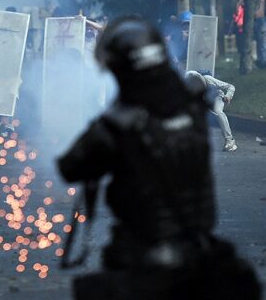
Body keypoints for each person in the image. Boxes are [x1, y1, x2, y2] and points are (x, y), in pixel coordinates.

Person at [58, 17, 261, 300]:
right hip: (199, 250)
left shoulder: (120, 122)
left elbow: (70, 167)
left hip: (142, 255)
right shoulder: (191, 107)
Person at [185, 70, 237, 151]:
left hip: (217, 98)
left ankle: (230, 140)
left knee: (218, 112)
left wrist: (228, 95)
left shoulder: (208, 79)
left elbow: (231, 87)